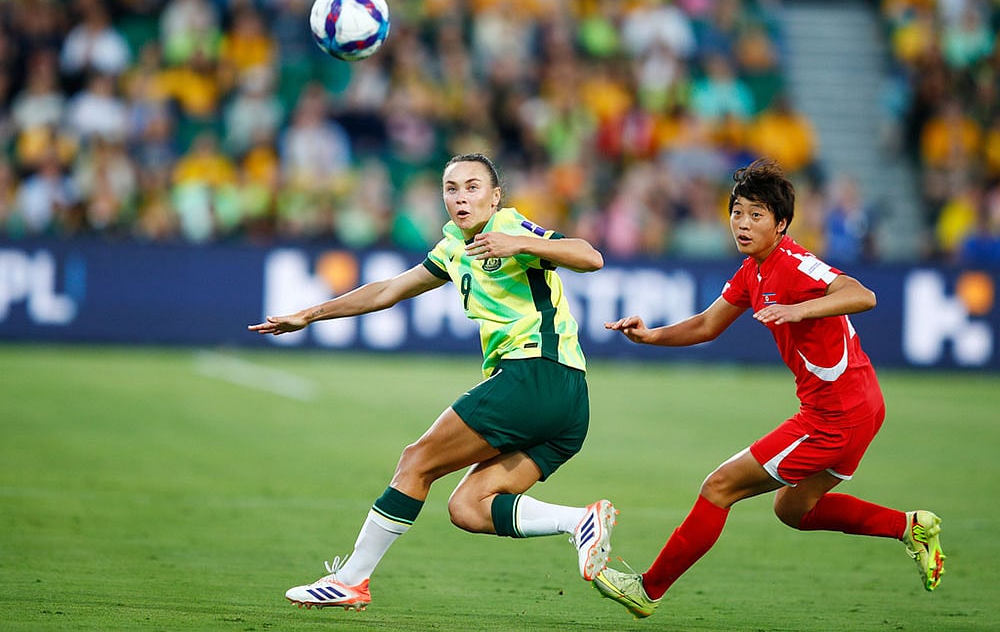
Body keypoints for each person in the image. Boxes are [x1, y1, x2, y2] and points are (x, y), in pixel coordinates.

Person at [249, 152, 616, 610]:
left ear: (495, 196)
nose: (461, 198)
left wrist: (520, 245)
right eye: (451, 188)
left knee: (416, 461)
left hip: (534, 372)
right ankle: (580, 522)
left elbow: (590, 256)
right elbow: (387, 289)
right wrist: (310, 313)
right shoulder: (453, 248)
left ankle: (350, 580)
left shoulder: (512, 228)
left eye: (472, 187)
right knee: (469, 507)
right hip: (567, 404)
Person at [597, 158, 945, 619]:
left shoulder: (796, 264)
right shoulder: (752, 271)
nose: (743, 223)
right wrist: (651, 335)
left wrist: (802, 311)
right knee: (794, 509)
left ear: (781, 224)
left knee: (719, 487)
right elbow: (706, 324)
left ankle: (648, 589)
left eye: (756, 214)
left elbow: (864, 294)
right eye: (737, 212)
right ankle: (910, 527)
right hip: (859, 407)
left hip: (834, 415)